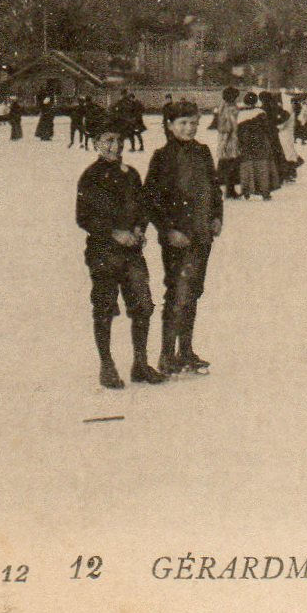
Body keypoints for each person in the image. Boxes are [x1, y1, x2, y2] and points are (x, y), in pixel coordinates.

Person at [75, 129, 163, 389]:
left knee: (143, 306)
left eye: (119, 140)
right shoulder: (90, 177)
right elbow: (83, 217)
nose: (115, 146)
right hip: (103, 252)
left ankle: (140, 363)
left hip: (131, 253)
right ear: (96, 144)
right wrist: (114, 232)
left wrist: (138, 229)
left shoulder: (131, 174)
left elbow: (142, 207)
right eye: (108, 140)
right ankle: (107, 365)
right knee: (104, 307)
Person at [145, 100, 222, 375]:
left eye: (193, 123)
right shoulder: (162, 157)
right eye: (182, 123)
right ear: (169, 125)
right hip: (178, 239)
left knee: (194, 292)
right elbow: (151, 201)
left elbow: (214, 187)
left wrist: (216, 216)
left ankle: (186, 351)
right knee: (178, 293)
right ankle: (167, 354)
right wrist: (168, 230)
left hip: (202, 235)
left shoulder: (202, 152)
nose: (189, 128)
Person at [235, 91, 279, 200]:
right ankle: (265, 192)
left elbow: (237, 132)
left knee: (247, 166)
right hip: (261, 143)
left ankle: (246, 191)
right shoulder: (261, 113)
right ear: (256, 101)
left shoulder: (240, 114)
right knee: (262, 166)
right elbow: (267, 129)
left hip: (246, 144)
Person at [214, 86, 243, 199]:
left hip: (225, 138)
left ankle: (227, 190)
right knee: (230, 165)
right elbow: (230, 125)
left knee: (225, 165)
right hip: (229, 139)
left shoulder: (223, 106)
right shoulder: (230, 108)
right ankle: (229, 191)